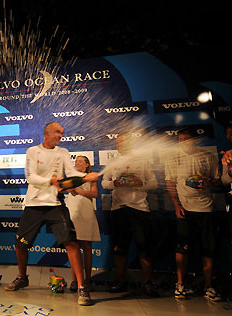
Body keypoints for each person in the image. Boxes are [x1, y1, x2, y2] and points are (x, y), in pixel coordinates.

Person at [3, 122, 98, 306]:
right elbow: (30, 176)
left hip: (55, 204)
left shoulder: (62, 152)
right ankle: (22, 277)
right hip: (33, 205)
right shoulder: (32, 151)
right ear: (46, 133)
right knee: (20, 244)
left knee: (71, 242)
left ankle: (81, 287)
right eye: (57, 132)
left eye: (62, 133)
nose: (60, 136)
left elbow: (70, 174)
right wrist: (51, 181)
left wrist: (85, 177)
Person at [165, 127, 222, 301]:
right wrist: (176, 205)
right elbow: (170, 183)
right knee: (182, 248)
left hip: (206, 209)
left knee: (208, 249)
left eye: (187, 139)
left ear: (195, 140)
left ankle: (208, 286)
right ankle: (180, 285)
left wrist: (208, 183)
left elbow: (218, 181)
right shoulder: (173, 158)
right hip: (185, 210)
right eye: (180, 139)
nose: (183, 142)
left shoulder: (208, 157)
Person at [101, 132, 159, 297]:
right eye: (118, 142)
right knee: (119, 249)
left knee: (144, 249)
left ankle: (147, 283)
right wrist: (115, 183)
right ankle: (120, 281)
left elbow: (154, 183)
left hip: (140, 209)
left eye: (123, 141)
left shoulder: (142, 160)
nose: (120, 144)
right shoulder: (113, 162)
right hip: (118, 210)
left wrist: (140, 184)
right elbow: (104, 182)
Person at [64, 155, 100, 292]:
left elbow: (95, 194)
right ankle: (74, 280)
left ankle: (88, 280)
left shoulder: (91, 177)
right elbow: (68, 190)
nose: (77, 163)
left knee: (87, 247)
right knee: (73, 246)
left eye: (80, 161)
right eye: (76, 161)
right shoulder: (71, 176)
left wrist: (80, 192)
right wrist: (77, 190)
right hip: (72, 212)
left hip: (86, 212)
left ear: (87, 164)